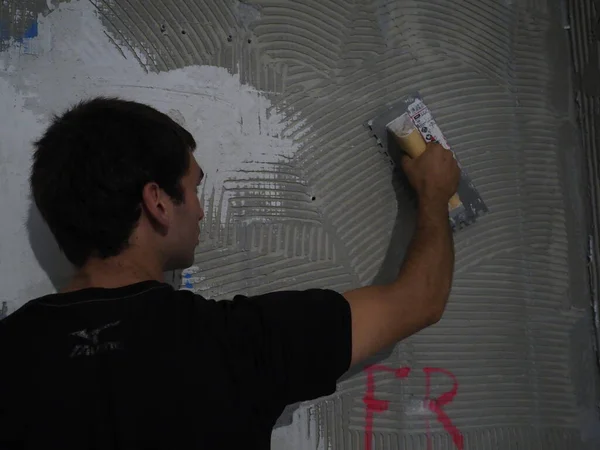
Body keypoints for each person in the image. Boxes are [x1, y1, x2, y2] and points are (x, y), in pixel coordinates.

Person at [0, 98, 460, 449]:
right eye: (194, 188)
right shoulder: (233, 344)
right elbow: (419, 301)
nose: (200, 211)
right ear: (158, 202)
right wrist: (435, 196)